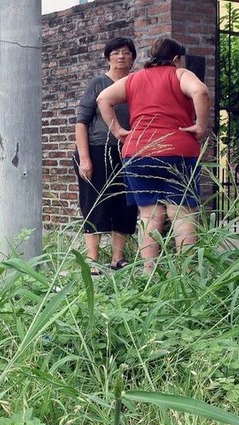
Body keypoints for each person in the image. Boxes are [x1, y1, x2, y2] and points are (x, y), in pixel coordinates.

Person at [97, 37, 210, 273]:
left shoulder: (134, 78)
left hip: (138, 152)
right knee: (180, 213)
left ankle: (149, 273)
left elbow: (103, 99)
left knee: (149, 215)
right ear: (177, 58)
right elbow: (200, 91)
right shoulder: (179, 74)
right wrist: (200, 126)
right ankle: (186, 274)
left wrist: (118, 130)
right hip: (177, 150)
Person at [73, 37, 139, 271]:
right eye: (115, 53)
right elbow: (81, 122)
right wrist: (85, 158)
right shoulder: (98, 84)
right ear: (108, 57)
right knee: (95, 203)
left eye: (126, 53)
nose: (121, 56)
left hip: (127, 151)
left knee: (125, 203)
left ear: (133, 58)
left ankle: (117, 258)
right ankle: (92, 258)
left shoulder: (136, 83)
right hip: (96, 149)